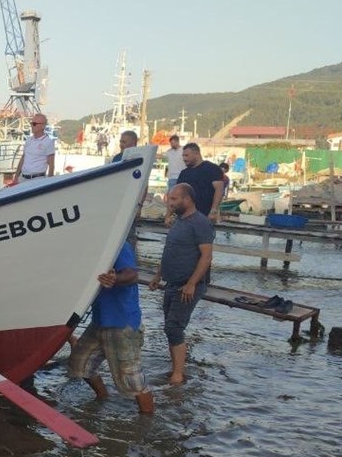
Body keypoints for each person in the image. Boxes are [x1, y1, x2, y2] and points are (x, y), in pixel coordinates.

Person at [67, 241, 155, 414]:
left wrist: (116, 279)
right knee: (79, 364)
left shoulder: (118, 244)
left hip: (122, 322)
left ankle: (148, 419)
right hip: (99, 320)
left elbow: (132, 275)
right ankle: (103, 397)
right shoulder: (92, 246)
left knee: (132, 380)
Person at [149, 184, 214, 386]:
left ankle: (178, 374)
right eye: (170, 199)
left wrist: (191, 284)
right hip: (171, 282)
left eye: (174, 199)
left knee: (174, 327)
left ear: (187, 199)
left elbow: (206, 256)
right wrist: (158, 275)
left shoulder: (200, 223)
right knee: (170, 327)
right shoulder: (178, 221)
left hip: (188, 284)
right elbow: (170, 250)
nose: (170, 203)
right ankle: (175, 368)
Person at [175, 142, 225, 223]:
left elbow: (219, 190)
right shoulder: (184, 173)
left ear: (196, 154)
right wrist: (170, 214)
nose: (184, 158)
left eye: (187, 155)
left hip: (205, 215)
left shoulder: (212, 169)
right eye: (183, 156)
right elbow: (177, 194)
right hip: (185, 217)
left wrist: (214, 210)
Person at [10, 114, 55, 182]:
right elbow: (23, 159)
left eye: (34, 124)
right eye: (31, 123)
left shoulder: (48, 142)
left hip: (37, 180)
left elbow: (51, 165)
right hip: (23, 179)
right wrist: (16, 177)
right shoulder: (28, 140)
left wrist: (50, 182)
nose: (31, 126)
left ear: (43, 126)